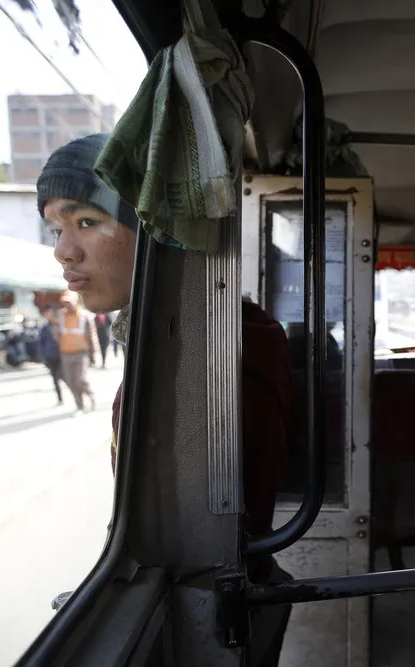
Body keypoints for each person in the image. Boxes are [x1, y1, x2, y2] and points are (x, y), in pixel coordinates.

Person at [36, 133, 293, 666]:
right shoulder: (189, 339)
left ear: (155, 232)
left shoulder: (206, 361)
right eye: (56, 228)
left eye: (86, 221)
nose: (63, 250)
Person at [55, 291, 97, 414]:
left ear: (76, 302)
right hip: (66, 353)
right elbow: (56, 333)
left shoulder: (85, 315)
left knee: (80, 379)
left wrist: (94, 353)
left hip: (81, 353)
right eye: (65, 302)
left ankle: (91, 395)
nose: (67, 305)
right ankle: (80, 405)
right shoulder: (60, 316)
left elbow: (92, 336)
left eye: (69, 302)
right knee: (70, 381)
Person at [38, 305, 66, 405]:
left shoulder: (61, 325)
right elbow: (41, 343)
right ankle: (60, 399)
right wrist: (42, 357)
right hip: (50, 356)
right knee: (55, 379)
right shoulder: (44, 327)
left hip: (62, 355)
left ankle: (78, 398)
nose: (48, 315)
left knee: (66, 377)